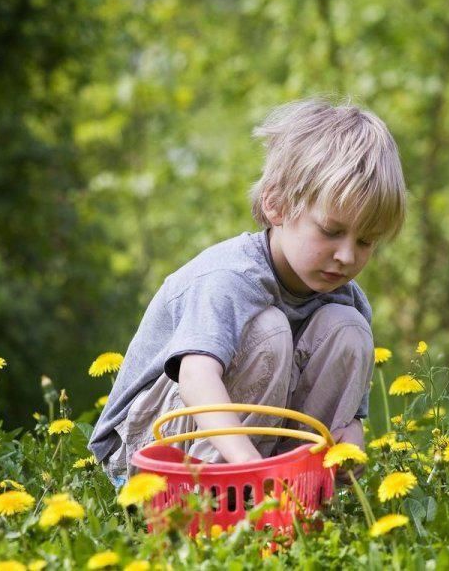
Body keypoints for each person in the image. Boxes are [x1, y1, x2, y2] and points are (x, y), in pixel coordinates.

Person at [88, 97, 407, 486]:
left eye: (366, 241)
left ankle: (295, 491)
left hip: (252, 447)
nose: (346, 255)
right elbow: (196, 376)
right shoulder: (230, 276)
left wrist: (348, 440)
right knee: (268, 330)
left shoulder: (346, 297)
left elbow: (350, 416)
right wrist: (247, 465)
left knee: (348, 327)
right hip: (150, 450)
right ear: (276, 206)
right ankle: (219, 494)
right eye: (331, 231)